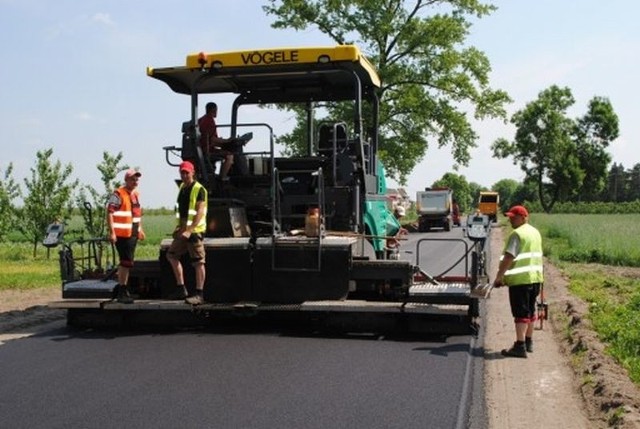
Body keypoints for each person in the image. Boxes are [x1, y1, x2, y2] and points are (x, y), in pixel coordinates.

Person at [492, 205, 544, 358]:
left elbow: (509, 257)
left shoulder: (517, 234)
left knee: (520, 313)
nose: (511, 220)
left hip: (521, 281)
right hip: (535, 279)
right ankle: (528, 341)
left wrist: (499, 277)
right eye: (509, 217)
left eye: (513, 217)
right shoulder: (535, 232)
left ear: (523, 217)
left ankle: (519, 346)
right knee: (530, 310)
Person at [166, 160, 208, 305]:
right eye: (182, 172)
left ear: (193, 173)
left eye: (186, 172)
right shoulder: (183, 188)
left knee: (198, 262)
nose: (184, 175)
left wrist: (190, 231)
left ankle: (199, 294)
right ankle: (181, 288)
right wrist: (179, 227)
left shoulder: (199, 189)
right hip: (183, 229)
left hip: (194, 231)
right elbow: (182, 211)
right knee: (171, 255)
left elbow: (199, 211)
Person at [106, 169, 145, 304]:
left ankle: (124, 290)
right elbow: (110, 212)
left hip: (132, 234)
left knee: (128, 263)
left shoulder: (135, 194)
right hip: (122, 234)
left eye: (136, 180)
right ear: (126, 180)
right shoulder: (118, 194)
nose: (135, 182)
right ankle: (122, 291)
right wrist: (112, 232)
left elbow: (137, 215)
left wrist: (140, 229)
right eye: (132, 179)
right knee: (125, 262)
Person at [198, 102, 234, 181]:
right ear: (213, 110)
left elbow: (209, 139)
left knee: (225, 152)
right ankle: (223, 177)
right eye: (216, 110)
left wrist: (222, 142)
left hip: (202, 149)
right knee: (229, 156)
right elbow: (212, 139)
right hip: (207, 150)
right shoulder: (210, 120)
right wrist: (226, 141)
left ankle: (221, 176)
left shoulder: (201, 120)